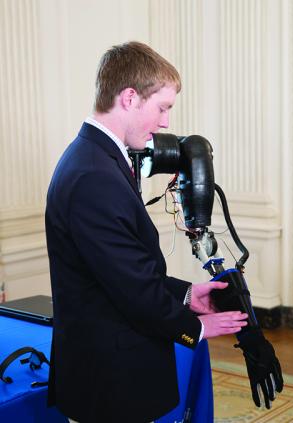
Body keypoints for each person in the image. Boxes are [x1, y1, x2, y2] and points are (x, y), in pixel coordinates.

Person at [45, 41, 248, 422]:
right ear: (129, 98)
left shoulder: (98, 158)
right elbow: (132, 288)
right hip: (109, 380)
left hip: (110, 370)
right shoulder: (93, 174)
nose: (166, 123)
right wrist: (196, 329)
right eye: (163, 107)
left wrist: (187, 294)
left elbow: (124, 269)